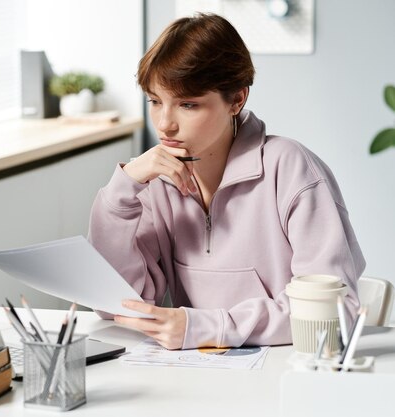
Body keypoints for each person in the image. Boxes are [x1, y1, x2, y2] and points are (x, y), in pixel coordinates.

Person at [88, 14, 365, 350]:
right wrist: (122, 193)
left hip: (284, 373)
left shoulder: (290, 169)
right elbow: (115, 305)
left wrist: (209, 327)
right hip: (195, 375)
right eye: (155, 101)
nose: (165, 124)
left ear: (236, 100)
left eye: (188, 104)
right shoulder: (155, 183)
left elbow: (335, 311)